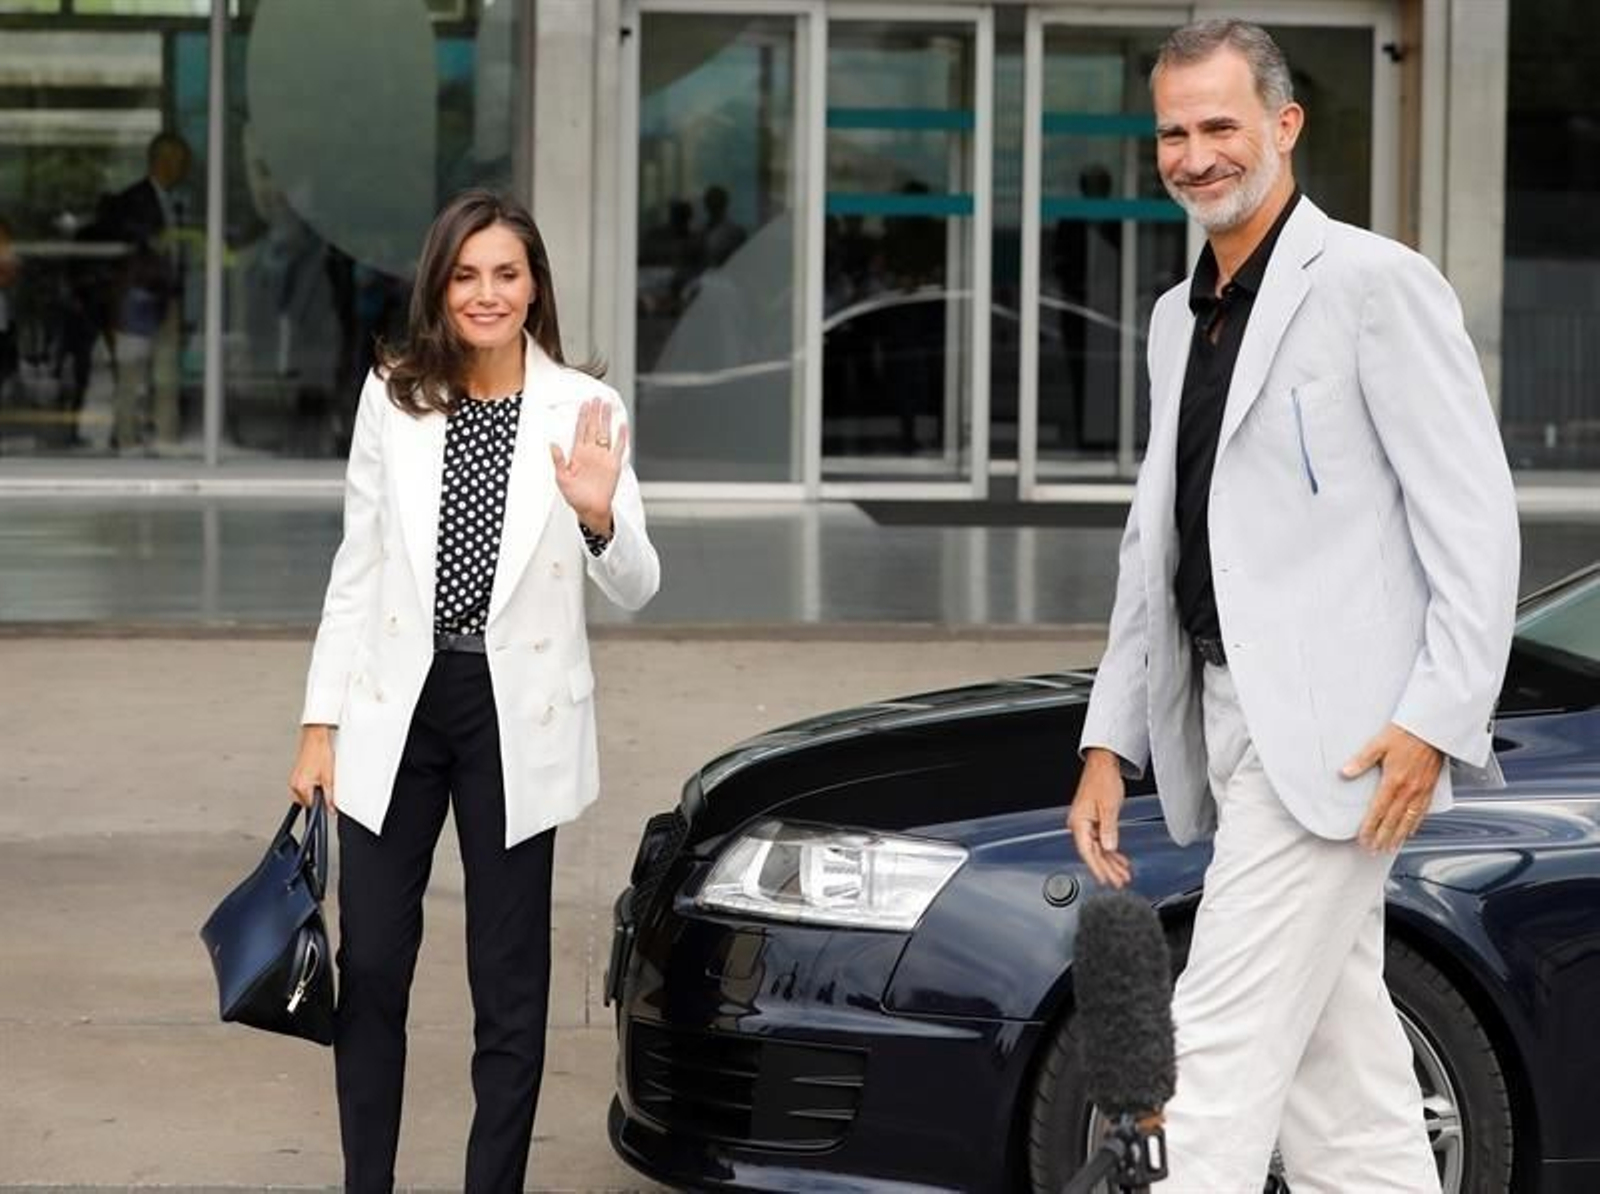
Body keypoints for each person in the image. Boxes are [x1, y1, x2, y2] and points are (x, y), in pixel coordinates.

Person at [1066, 20, 1518, 1194]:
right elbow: (1151, 548)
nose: (1195, 154)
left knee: (1207, 1062)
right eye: (1173, 131)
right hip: (1220, 715)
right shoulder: (1177, 320)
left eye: (1219, 125)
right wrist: (1109, 739)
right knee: (1344, 1092)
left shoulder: (1375, 285)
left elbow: (1473, 522)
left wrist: (1433, 721)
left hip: (1341, 737)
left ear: (1282, 126)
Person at [287, 189, 659, 1193]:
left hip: (512, 717)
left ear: (534, 284)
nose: (486, 294)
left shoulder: (585, 408)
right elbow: (355, 568)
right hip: (393, 708)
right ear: (438, 286)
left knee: (508, 987)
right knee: (369, 970)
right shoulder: (393, 396)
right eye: (466, 275)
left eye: (506, 273)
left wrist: (597, 519)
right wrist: (319, 722)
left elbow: (638, 584)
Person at [95, 131, 191, 452]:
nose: (184, 168)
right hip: (137, 300)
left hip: (168, 299)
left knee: (167, 377)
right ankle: (126, 439)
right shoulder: (131, 201)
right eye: (179, 161)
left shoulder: (177, 203)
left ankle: (165, 439)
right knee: (131, 376)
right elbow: (123, 248)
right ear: (162, 160)